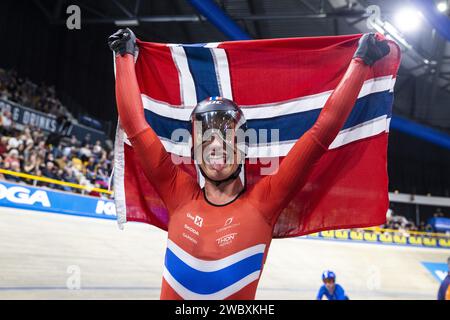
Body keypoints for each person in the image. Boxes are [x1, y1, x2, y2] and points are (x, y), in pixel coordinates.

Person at [108, 28, 390, 300]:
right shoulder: (177, 192)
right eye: (206, 138)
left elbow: (322, 132)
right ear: (194, 149)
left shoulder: (266, 202)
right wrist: (124, 56)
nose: (216, 145)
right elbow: (134, 125)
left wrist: (360, 62)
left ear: (242, 147)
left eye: (226, 137)